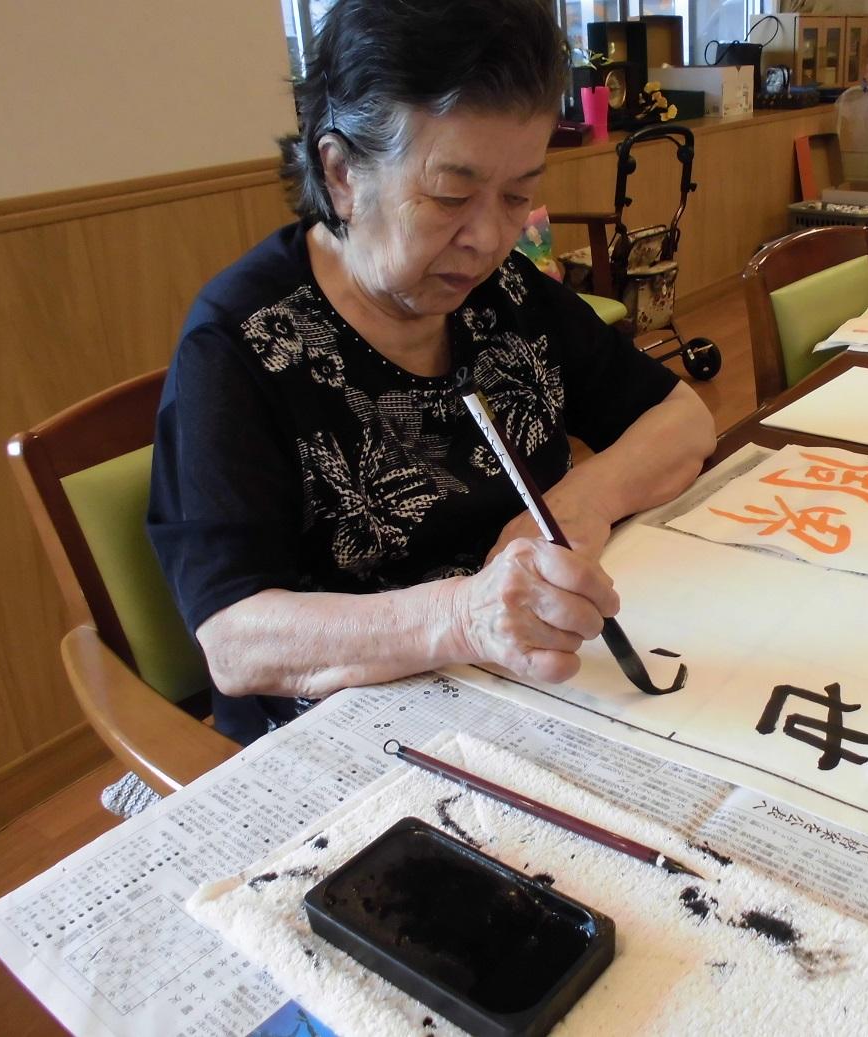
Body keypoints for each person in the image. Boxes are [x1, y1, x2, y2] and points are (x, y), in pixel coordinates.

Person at [147, 0, 716, 745]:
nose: (488, 238)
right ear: (341, 173)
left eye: (517, 195)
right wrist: (463, 616)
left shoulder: (503, 293)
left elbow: (683, 420)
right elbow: (234, 641)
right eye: (451, 196)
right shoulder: (241, 343)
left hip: (529, 689)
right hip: (354, 734)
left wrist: (578, 503)